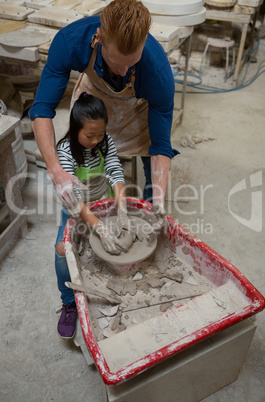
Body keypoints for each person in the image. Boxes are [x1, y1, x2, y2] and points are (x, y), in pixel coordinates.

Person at [29, 0, 179, 237]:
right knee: (74, 175)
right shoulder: (71, 41)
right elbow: (42, 109)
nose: (123, 71)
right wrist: (56, 171)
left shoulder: (157, 74)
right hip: (95, 99)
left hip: (136, 106)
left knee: (153, 177)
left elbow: (161, 147)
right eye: (116, 62)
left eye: (131, 63)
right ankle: (69, 229)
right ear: (99, 38)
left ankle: (152, 216)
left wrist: (159, 199)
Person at [55, 92, 137, 339]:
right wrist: (98, 227)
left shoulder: (105, 142)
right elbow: (73, 201)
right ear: (75, 129)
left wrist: (121, 208)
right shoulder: (65, 149)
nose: (95, 140)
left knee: (120, 243)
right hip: (76, 210)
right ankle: (69, 302)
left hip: (104, 205)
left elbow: (115, 173)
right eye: (89, 135)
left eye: (100, 134)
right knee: (62, 250)